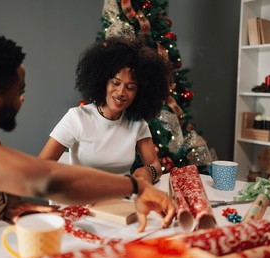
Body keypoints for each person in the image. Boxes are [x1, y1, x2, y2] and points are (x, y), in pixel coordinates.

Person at [0, 33, 175, 242]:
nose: (23, 99)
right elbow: (42, 178)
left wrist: (8, 207)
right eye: (20, 92)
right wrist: (135, 187)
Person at [38, 37, 173, 184]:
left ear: (139, 93)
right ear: (103, 82)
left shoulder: (137, 123)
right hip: (84, 200)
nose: (121, 92)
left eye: (130, 87)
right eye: (115, 83)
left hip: (122, 200)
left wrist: (148, 171)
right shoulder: (77, 118)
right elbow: (40, 166)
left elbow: (155, 165)